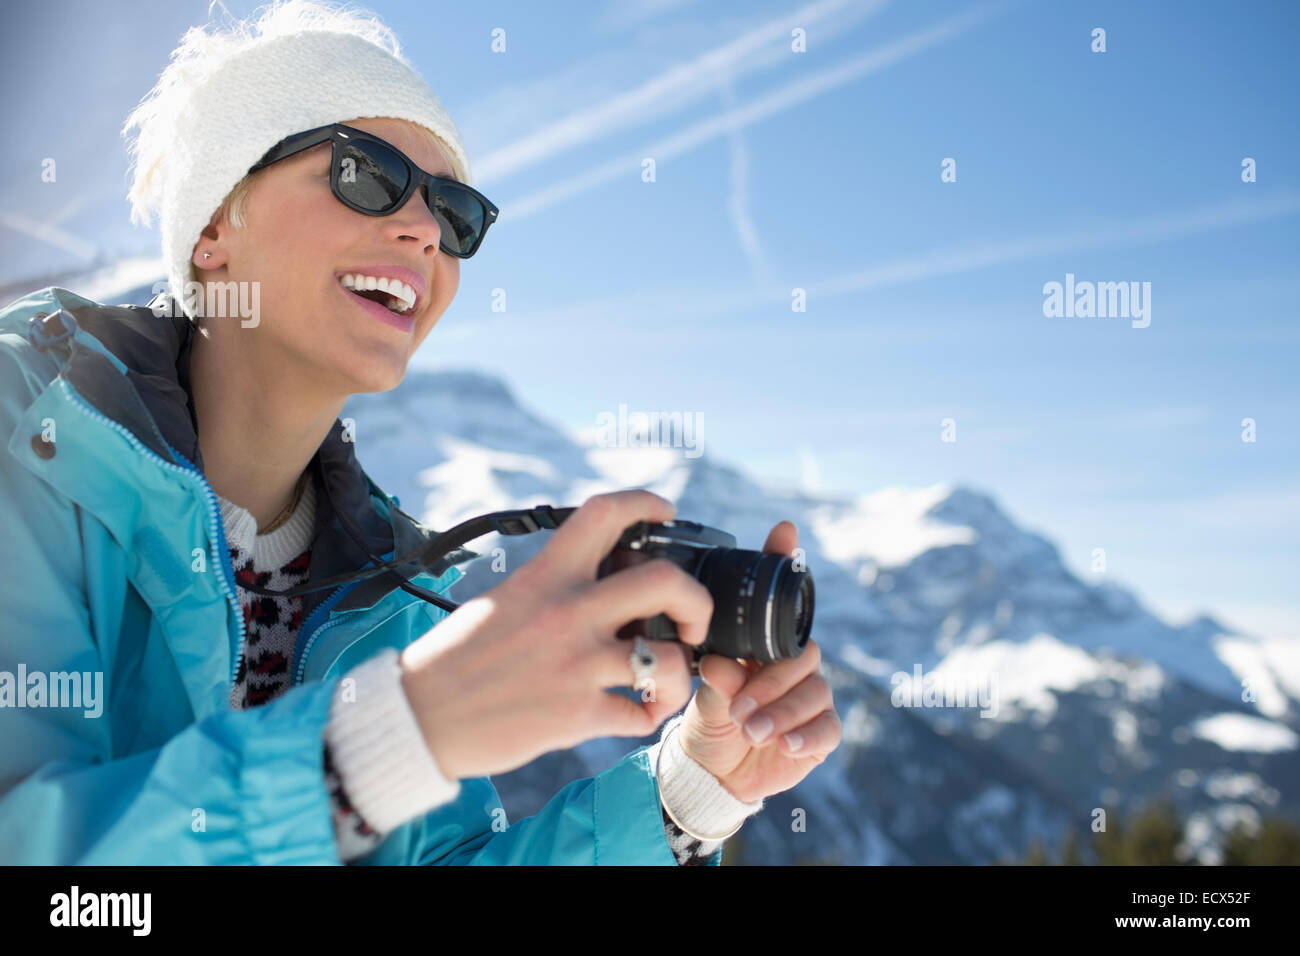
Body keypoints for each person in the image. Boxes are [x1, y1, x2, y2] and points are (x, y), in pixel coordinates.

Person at [0, 0, 840, 865]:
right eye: (366, 174)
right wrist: (397, 735)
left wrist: (691, 791)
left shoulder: (384, 588)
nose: (426, 233)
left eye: (456, 213)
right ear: (214, 225)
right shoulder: (27, 437)